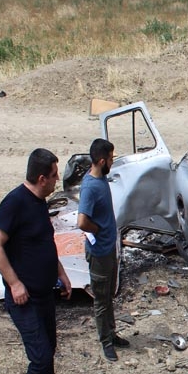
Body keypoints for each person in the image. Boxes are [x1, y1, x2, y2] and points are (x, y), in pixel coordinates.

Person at [0, 148, 75, 374]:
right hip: (24, 299)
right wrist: (14, 283)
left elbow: (45, 244)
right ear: (41, 178)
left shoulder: (39, 203)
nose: (57, 180)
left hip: (45, 293)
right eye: (54, 175)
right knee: (40, 356)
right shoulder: (15, 203)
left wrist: (61, 273)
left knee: (49, 350)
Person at [76, 138, 129, 362]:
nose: (112, 162)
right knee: (100, 299)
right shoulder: (90, 187)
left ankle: (112, 333)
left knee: (109, 295)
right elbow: (82, 222)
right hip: (99, 253)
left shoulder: (101, 178)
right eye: (110, 158)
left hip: (108, 248)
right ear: (101, 161)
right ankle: (106, 342)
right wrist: (97, 229)